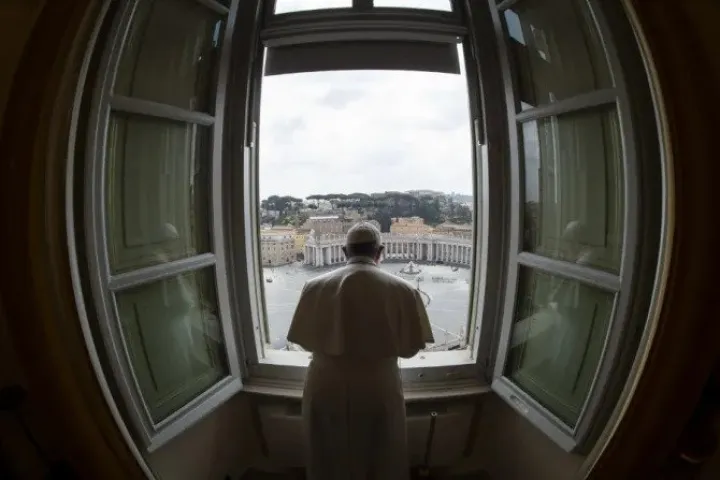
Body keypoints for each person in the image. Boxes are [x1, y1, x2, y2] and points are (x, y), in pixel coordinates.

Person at [287, 222, 434, 480]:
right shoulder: (405, 290)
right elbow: (411, 349)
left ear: (344, 251)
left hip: (324, 384)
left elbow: (304, 342)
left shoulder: (313, 286)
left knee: (327, 456)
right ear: (380, 252)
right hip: (378, 386)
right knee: (380, 456)